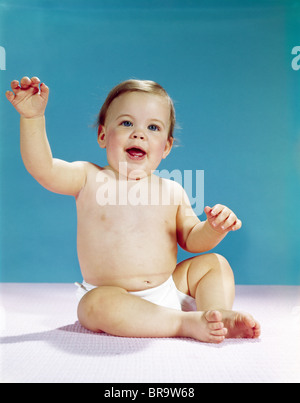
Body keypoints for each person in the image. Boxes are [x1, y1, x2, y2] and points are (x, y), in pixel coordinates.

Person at [6, 76, 261, 343]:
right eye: (126, 123)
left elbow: (192, 239)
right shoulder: (88, 177)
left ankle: (217, 314)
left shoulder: (172, 190)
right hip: (113, 295)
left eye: (153, 127)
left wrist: (213, 228)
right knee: (94, 305)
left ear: (167, 146)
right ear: (103, 135)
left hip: (167, 289)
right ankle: (184, 323)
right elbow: (43, 168)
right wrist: (32, 118)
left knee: (214, 264)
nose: (139, 133)